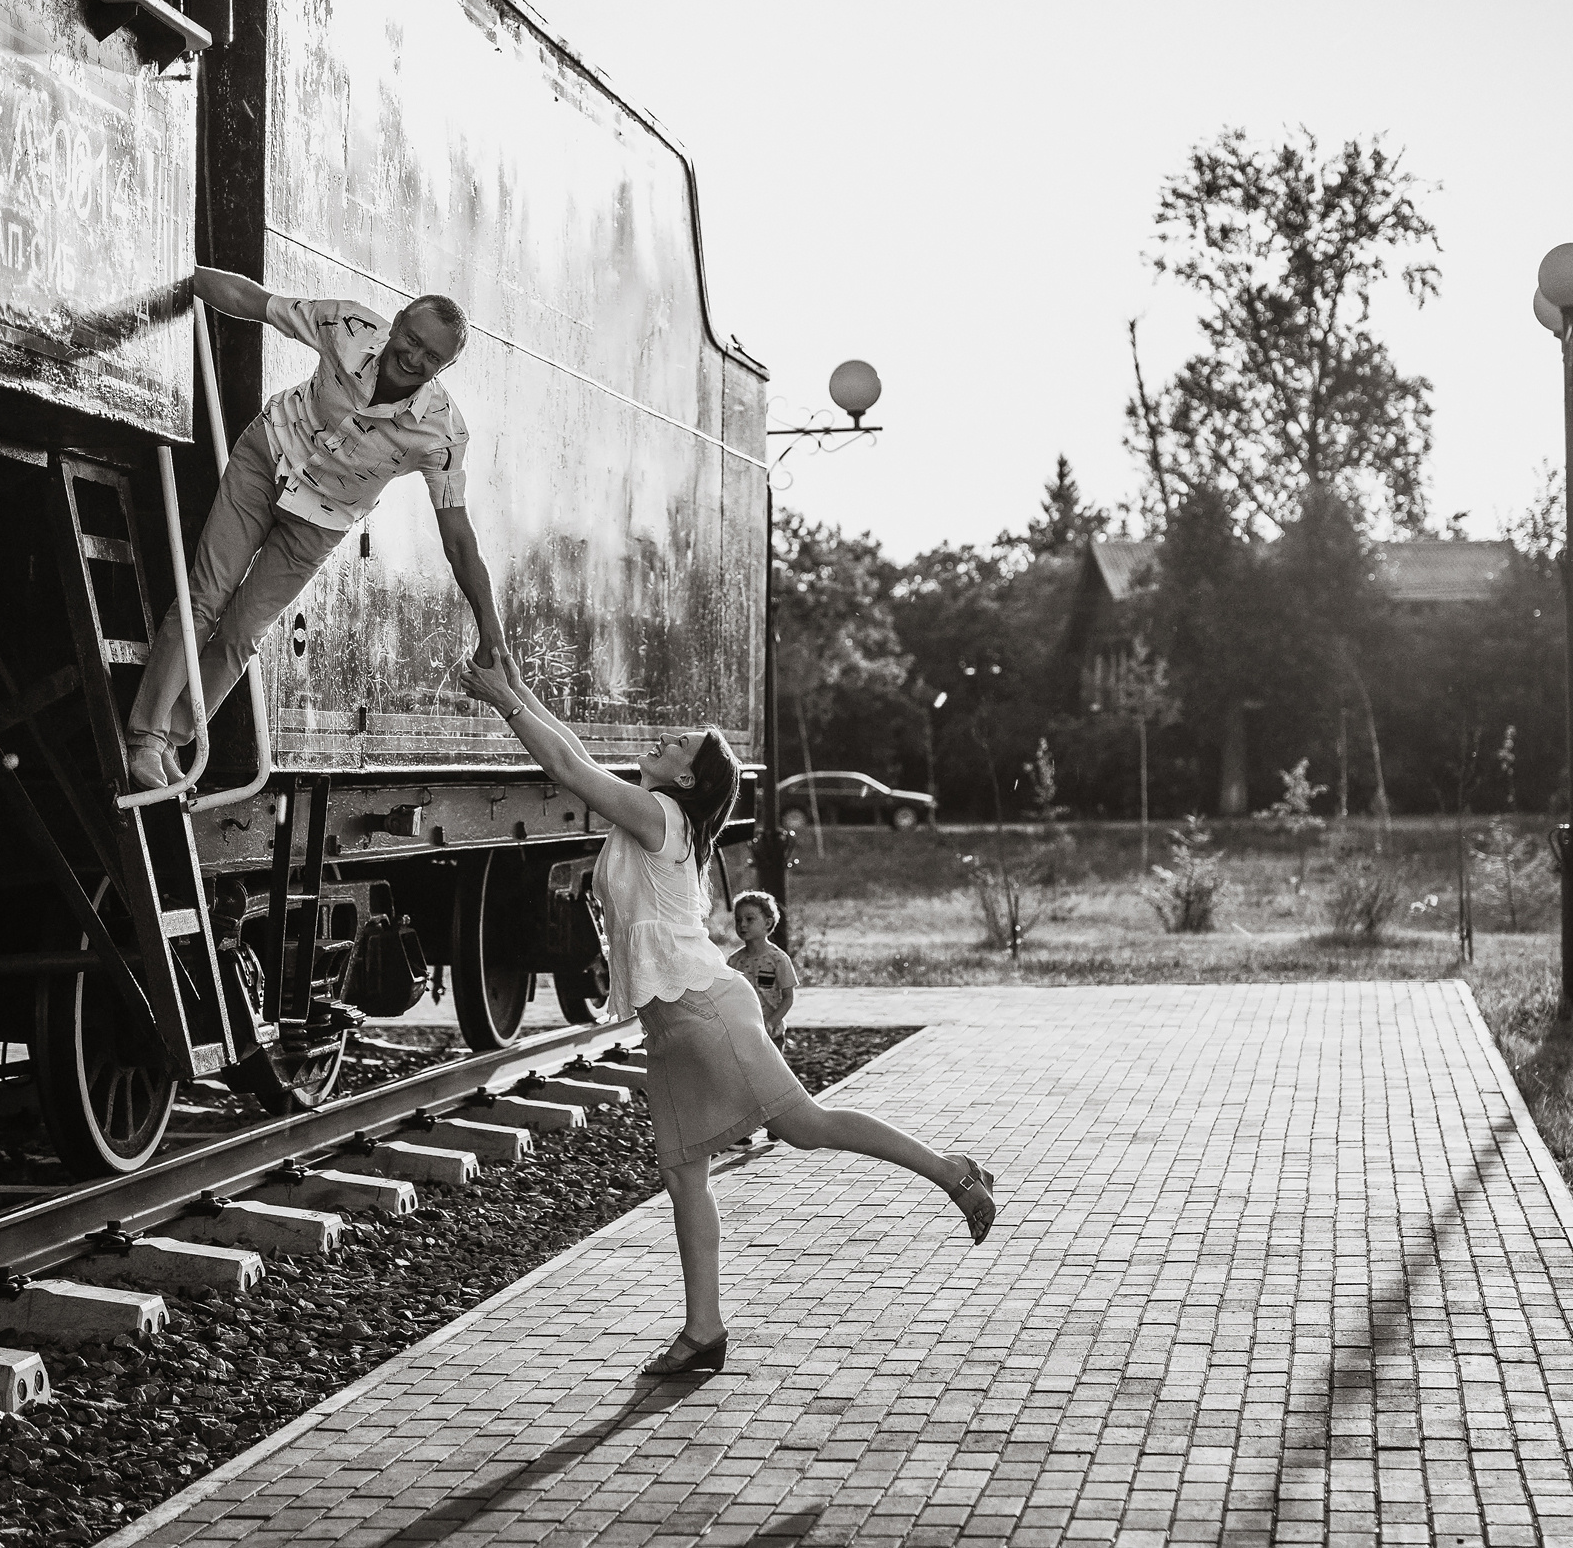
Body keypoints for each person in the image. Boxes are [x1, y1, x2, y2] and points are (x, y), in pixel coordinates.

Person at [455, 653, 998, 1377]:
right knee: (686, 1178)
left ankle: (951, 1171)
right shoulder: (655, 810)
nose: (667, 739)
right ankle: (703, 1329)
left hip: (704, 1011)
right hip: (672, 1024)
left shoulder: (662, 816)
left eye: (680, 744)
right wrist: (513, 686)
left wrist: (505, 704)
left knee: (803, 1125)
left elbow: (569, 769)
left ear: (685, 779)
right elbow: (577, 755)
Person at [125, 266, 509, 791]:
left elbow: (458, 536)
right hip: (269, 458)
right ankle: (144, 740)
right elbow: (260, 302)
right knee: (204, 599)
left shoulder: (442, 431)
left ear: (446, 366)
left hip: (322, 520)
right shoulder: (347, 326)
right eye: (412, 340)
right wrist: (184, 275)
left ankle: (172, 736)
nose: (415, 359)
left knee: (242, 633)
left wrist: (490, 624)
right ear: (395, 324)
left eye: (433, 357)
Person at [727, 889, 798, 1049]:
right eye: (738, 920)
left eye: (750, 919)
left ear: (767, 923)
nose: (742, 924)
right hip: (743, 1033)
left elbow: (788, 997)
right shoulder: (734, 960)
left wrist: (771, 1023)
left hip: (770, 1035)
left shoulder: (778, 959)